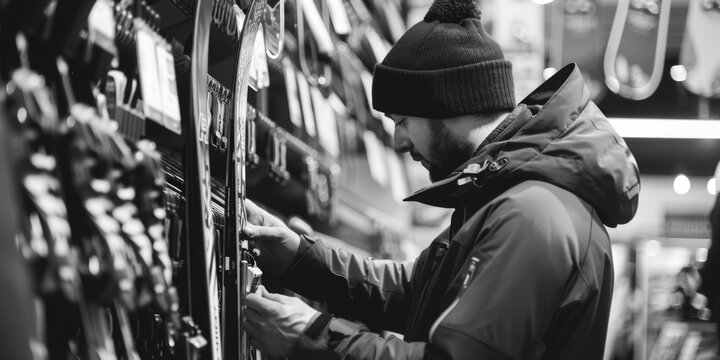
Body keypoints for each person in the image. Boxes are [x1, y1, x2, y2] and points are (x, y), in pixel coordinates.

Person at [241, 0, 641, 358]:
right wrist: (300, 258)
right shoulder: (499, 195)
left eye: (402, 121)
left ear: (448, 105)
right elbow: (417, 291)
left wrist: (310, 336)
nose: (398, 141)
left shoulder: (533, 215)